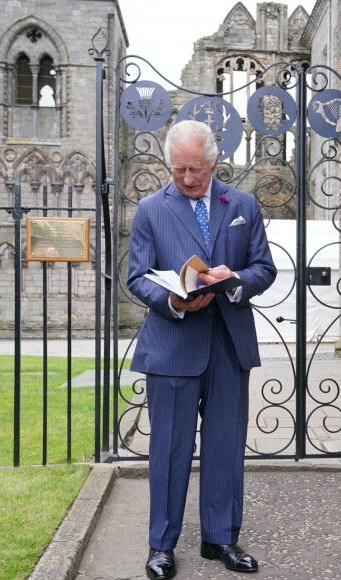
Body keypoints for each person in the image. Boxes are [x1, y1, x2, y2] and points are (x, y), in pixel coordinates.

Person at [127, 120, 277, 579]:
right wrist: (173, 298)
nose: (188, 179)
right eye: (179, 170)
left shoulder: (244, 205)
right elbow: (136, 277)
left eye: (196, 169)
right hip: (172, 346)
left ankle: (221, 539)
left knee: (226, 447)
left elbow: (264, 268)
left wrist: (235, 283)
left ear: (214, 162)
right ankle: (161, 546)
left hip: (228, 346)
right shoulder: (151, 210)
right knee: (169, 450)